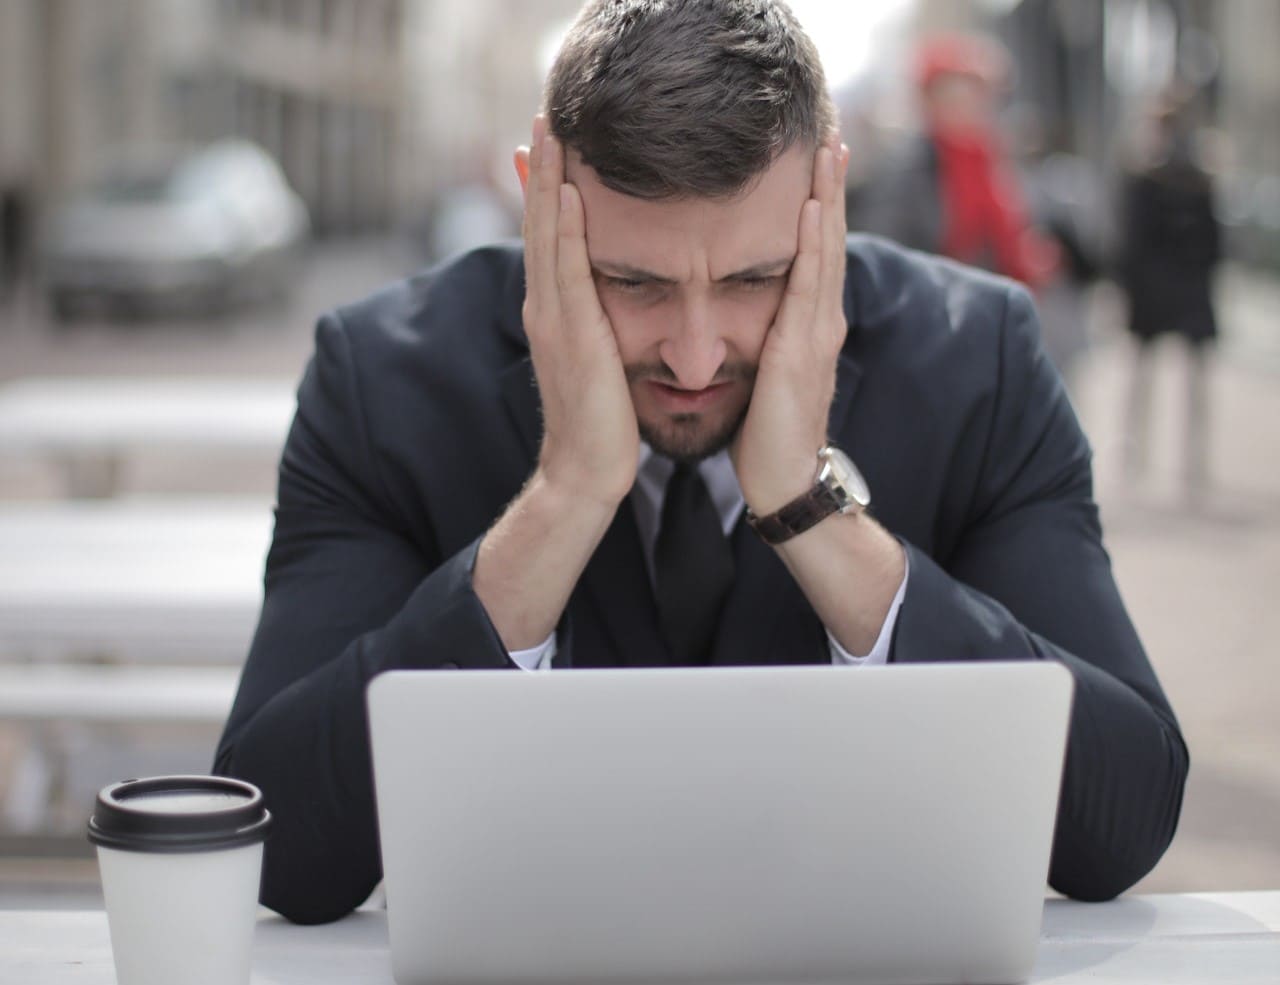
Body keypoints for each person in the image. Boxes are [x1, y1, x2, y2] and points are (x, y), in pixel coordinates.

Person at [216, 0, 1188, 925]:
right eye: (630, 282)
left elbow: (1119, 817)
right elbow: (280, 843)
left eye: (752, 280)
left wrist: (808, 508)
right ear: (539, 204)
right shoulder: (382, 379)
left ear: (828, 203)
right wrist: (562, 500)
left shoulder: (976, 362)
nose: (693, 355)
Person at [856, 34, 1060, 290]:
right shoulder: (907, 170)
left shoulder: (998, 163)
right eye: (954, 96)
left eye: (975, 96)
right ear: (930, 102)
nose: (967, 107)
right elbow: (886, 251)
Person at [1117, 94, 1221, 493]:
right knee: (1147, 377)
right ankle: (1139, 453)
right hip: (1162, 290)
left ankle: (1187, 460)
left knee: (1184, 379)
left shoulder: (1196, 180)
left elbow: (1212, 243)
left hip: (1179, 289)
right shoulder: (1148, 180)